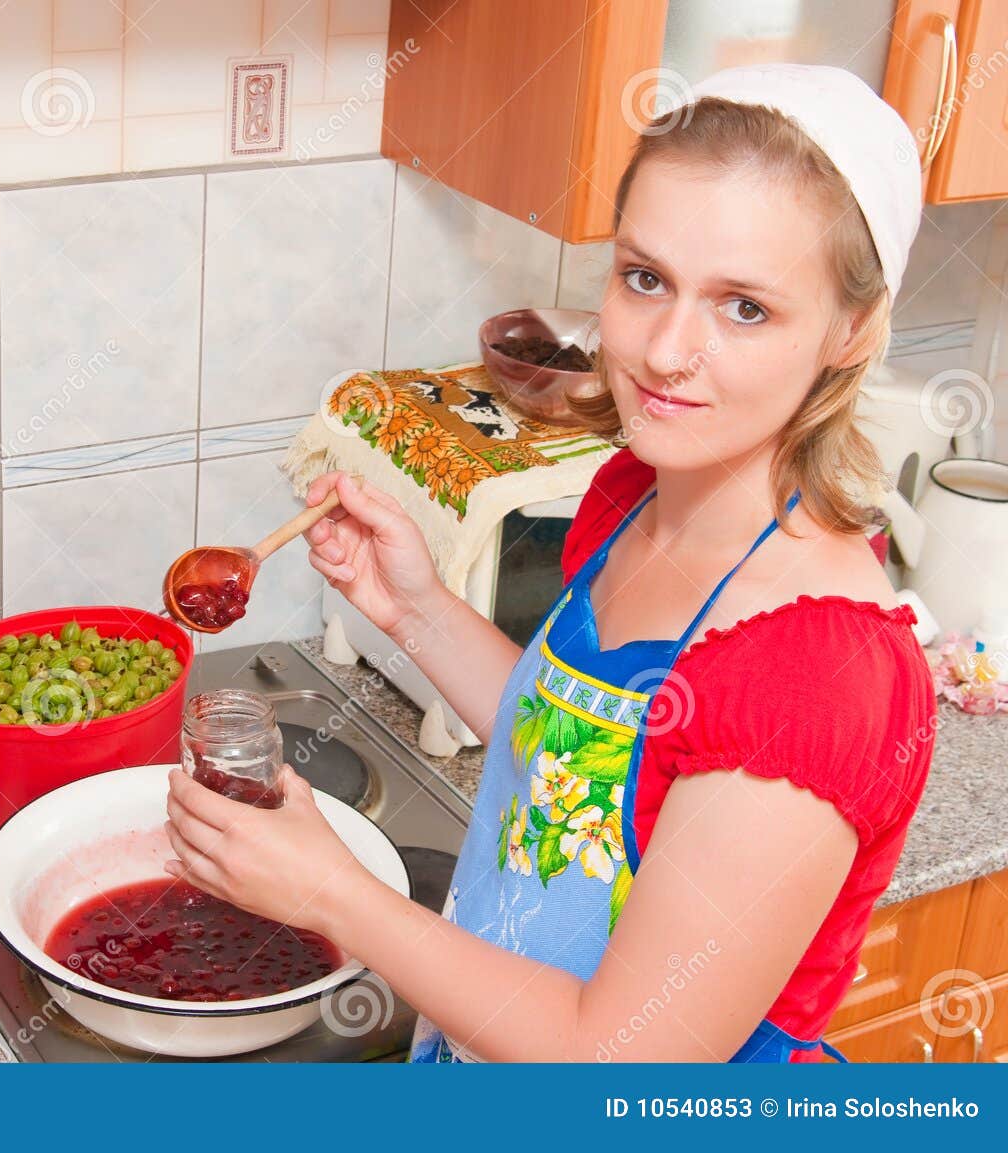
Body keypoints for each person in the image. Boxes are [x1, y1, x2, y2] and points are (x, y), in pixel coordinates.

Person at [163, 64, 938, 1062]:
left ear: (851, 330)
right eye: (644, 278)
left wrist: (328, 893)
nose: (664, 350)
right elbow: (578, 782)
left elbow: (615, 1056)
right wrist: (416, 610)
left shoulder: (814, 679)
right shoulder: (635, 499)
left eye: (744, 307)